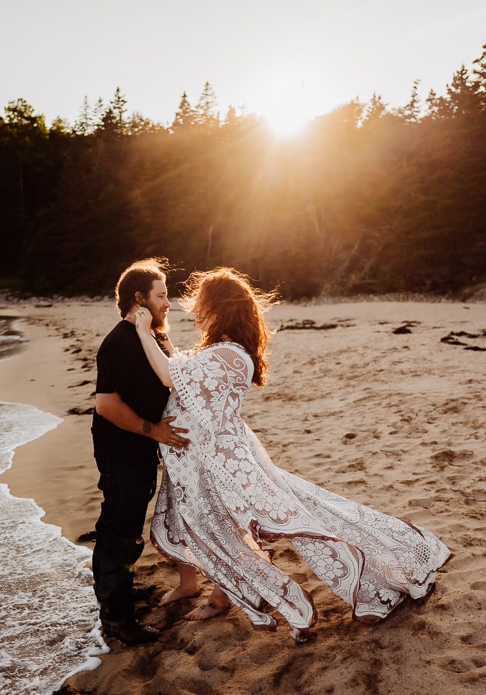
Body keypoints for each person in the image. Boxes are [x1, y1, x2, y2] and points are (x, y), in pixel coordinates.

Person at [135, 267, 451, 639]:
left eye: (202, 305)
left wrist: (142, 331)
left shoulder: (232, 355)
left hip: (228, 463)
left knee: (301, 521)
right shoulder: (217, 350)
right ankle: (224, 595)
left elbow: (171, 377)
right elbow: (180, 371)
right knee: (233, 525)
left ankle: (390, 567)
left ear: (220, 308)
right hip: (210, 461)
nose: (196, 312)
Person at [91, 258, 189, 645]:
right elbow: (106, 405)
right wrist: (155, 431)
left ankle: (119, 600)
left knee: (125, 529)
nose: (169, 302)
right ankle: (117, 621)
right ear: (139, 298)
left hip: (141, 451)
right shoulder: (119, 342)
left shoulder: (150, 337)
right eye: (162, 295)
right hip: (121, 453)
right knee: (119, 533)